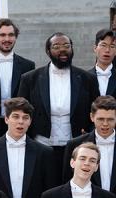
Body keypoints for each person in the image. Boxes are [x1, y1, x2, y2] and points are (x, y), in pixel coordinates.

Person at [18, 32, 99, 180]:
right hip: (42, 144)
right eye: (56, 46)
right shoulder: (30, 79)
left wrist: (88, 133)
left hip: (76, 144)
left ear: (72, 49)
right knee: (45, 184)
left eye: (66, 46)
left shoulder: (88, 79)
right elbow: (21, 111)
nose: (62, 50)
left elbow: (96, 111)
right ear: (48, 51)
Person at [63, 96, 116, 193]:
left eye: (110, 119)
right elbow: (67, 180)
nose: (105, 124)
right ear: (92, 117)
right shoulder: (74, 144)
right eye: (100, 119)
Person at [88, 29, 116, 97]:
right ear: (95, 48)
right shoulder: (85, 78)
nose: (107, 50)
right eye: (103, 45)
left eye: (112, 46)